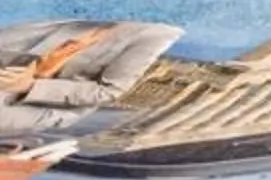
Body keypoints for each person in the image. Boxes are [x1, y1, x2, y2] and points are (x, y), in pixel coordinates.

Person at [0, 19, 179, 141]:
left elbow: (108, 91)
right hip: (10, 75)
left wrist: (30, 86)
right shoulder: (75, 12)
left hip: (49, 103)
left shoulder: (155, 34)